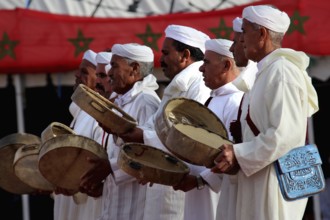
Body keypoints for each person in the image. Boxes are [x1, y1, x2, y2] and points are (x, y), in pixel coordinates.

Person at [211, 5, 319, 220]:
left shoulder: (282, 71)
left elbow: (284, 135)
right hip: (259, 176)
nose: (241, 40)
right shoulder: (267, 70)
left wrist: (238, 154)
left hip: (273, 180)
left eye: (244, 31)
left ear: (261, 34)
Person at [112, 24, 211, 219]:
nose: (161, 60)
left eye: (166, 53)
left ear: (185, 55)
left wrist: (140, 137)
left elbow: (190, 138)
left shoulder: (200, 87)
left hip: (185, 188)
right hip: (163, 187)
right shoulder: (175, 88)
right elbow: (153, 129)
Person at [79, 43, 161, 220]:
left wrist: (110, 167)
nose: (109, 73)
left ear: (134, 69)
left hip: (136, 205)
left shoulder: (146, 101)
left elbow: (151, 154)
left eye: (114, 66)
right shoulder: (120, 101)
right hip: (115, 200)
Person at [172, 38, 243, 220]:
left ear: (226, 65)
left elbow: (229, 156)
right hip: (197, 190)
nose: (201, 68)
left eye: (206, 62)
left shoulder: (235, 102)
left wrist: (200, 180)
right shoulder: (213, 99)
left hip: (216, 193)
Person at [53, 50, 113, 220]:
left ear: (101, 79)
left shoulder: (100, 114)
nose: (77, 74)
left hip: (92, 205)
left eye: (84, 72)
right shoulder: (82, 112)